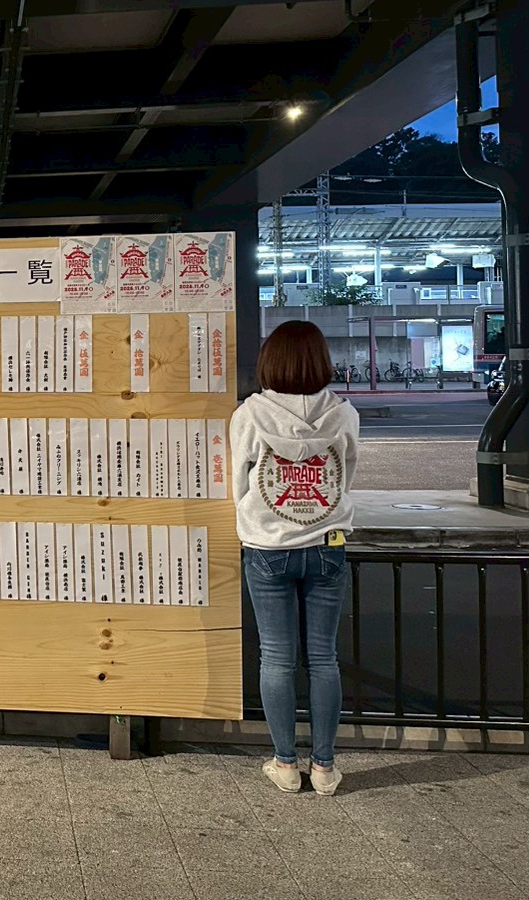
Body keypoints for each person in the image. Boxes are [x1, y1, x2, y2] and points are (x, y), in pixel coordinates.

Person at [230, 319, 359, 797]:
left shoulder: (251, 414)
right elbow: (345, 476)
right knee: (323, 658)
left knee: (277, 658)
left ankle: (285, 763)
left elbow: (238, 481)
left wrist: (257, 519)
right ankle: (324, 767)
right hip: (327, 543)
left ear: (270, 361)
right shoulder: (344, 414)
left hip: (268, 547)